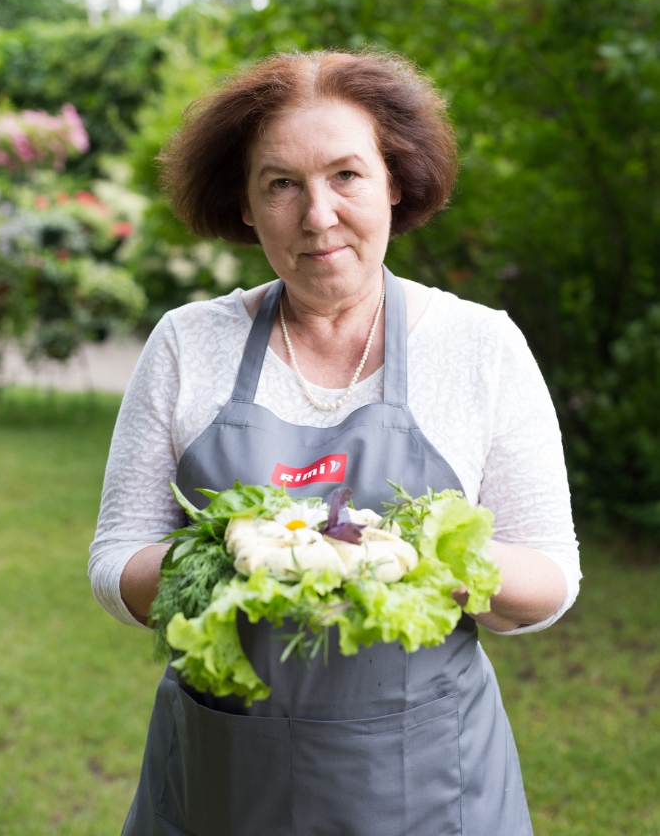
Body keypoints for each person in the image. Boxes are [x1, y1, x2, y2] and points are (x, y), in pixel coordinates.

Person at [89, 50, 580, 836]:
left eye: (346, 175)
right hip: (225, 782)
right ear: (245, 205)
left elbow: (551, 578)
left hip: (428, 790)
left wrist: (415, 558)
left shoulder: (479, 345)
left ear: (395, 181)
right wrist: (234, 552)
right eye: (280, 183)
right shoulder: (187, 344)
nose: (317, 215)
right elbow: (116, 564)